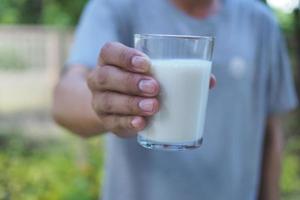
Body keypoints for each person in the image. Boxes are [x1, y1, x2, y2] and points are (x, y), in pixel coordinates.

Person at [52, 0, 298, 199]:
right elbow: (64, 98)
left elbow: (271, 131)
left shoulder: (260, 21)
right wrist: (103, 105)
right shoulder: (114, 7)